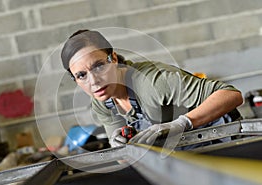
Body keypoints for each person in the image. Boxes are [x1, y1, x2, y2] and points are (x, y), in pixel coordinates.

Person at [61, 29, 243, 149]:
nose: (94, 81)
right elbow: (125, 159)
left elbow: (231, 95)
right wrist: (121, 145)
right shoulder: (102, 101)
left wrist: (182, 123)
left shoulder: (152, 82)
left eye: (99, 65)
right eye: (82, 75)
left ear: (113, 58)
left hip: (226, 143)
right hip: (186, 154)